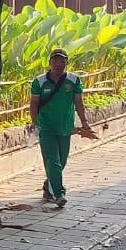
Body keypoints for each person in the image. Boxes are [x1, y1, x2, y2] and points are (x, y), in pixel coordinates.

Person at [27, 47, 97, 208]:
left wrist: (84, 122)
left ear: (67, 63)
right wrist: (34, 122)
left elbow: (79, 102)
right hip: (46, 127)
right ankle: (59, 193)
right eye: (56, 61)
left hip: (65, 127)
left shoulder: (73, 80)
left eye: (62, 61)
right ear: (50, 63)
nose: (59, 64)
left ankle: (47, 187)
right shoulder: (39, 81)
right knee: (53, 160)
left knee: (62, 161)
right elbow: (34, 103)